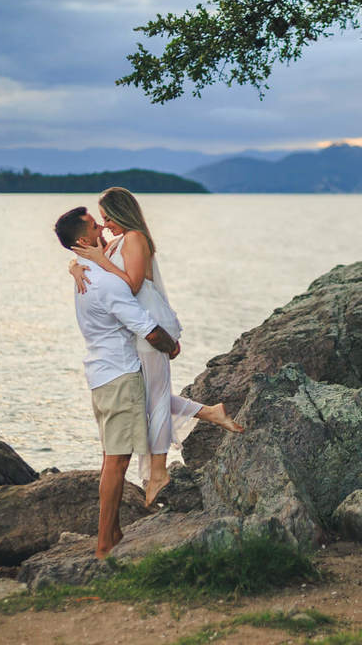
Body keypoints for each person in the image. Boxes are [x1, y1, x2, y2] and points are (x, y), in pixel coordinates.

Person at [70, 187, 242, 507]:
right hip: (133, 331)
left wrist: (97, 260)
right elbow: (98, 263)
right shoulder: (119, 241)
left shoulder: (136, 237)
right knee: (150, 395)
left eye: (108, 218)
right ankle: (209, 412)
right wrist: (76, 265)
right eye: (102, 221)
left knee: (156, 397)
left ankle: (159, 473)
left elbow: (132, 283)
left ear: (122, 213)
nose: (105, 226)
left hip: (150, 327)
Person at [54, 206, 180, 558]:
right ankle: (104, 542)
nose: (103, 229)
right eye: (96, 225)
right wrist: (171, 346)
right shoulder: (105, 281)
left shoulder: (87, 271)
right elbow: (145, 327)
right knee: (117, 462)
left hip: (100, 373)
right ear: (84, 239)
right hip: (120, 375)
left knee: (113, 455)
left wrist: (75, 263)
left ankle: (113, 532)